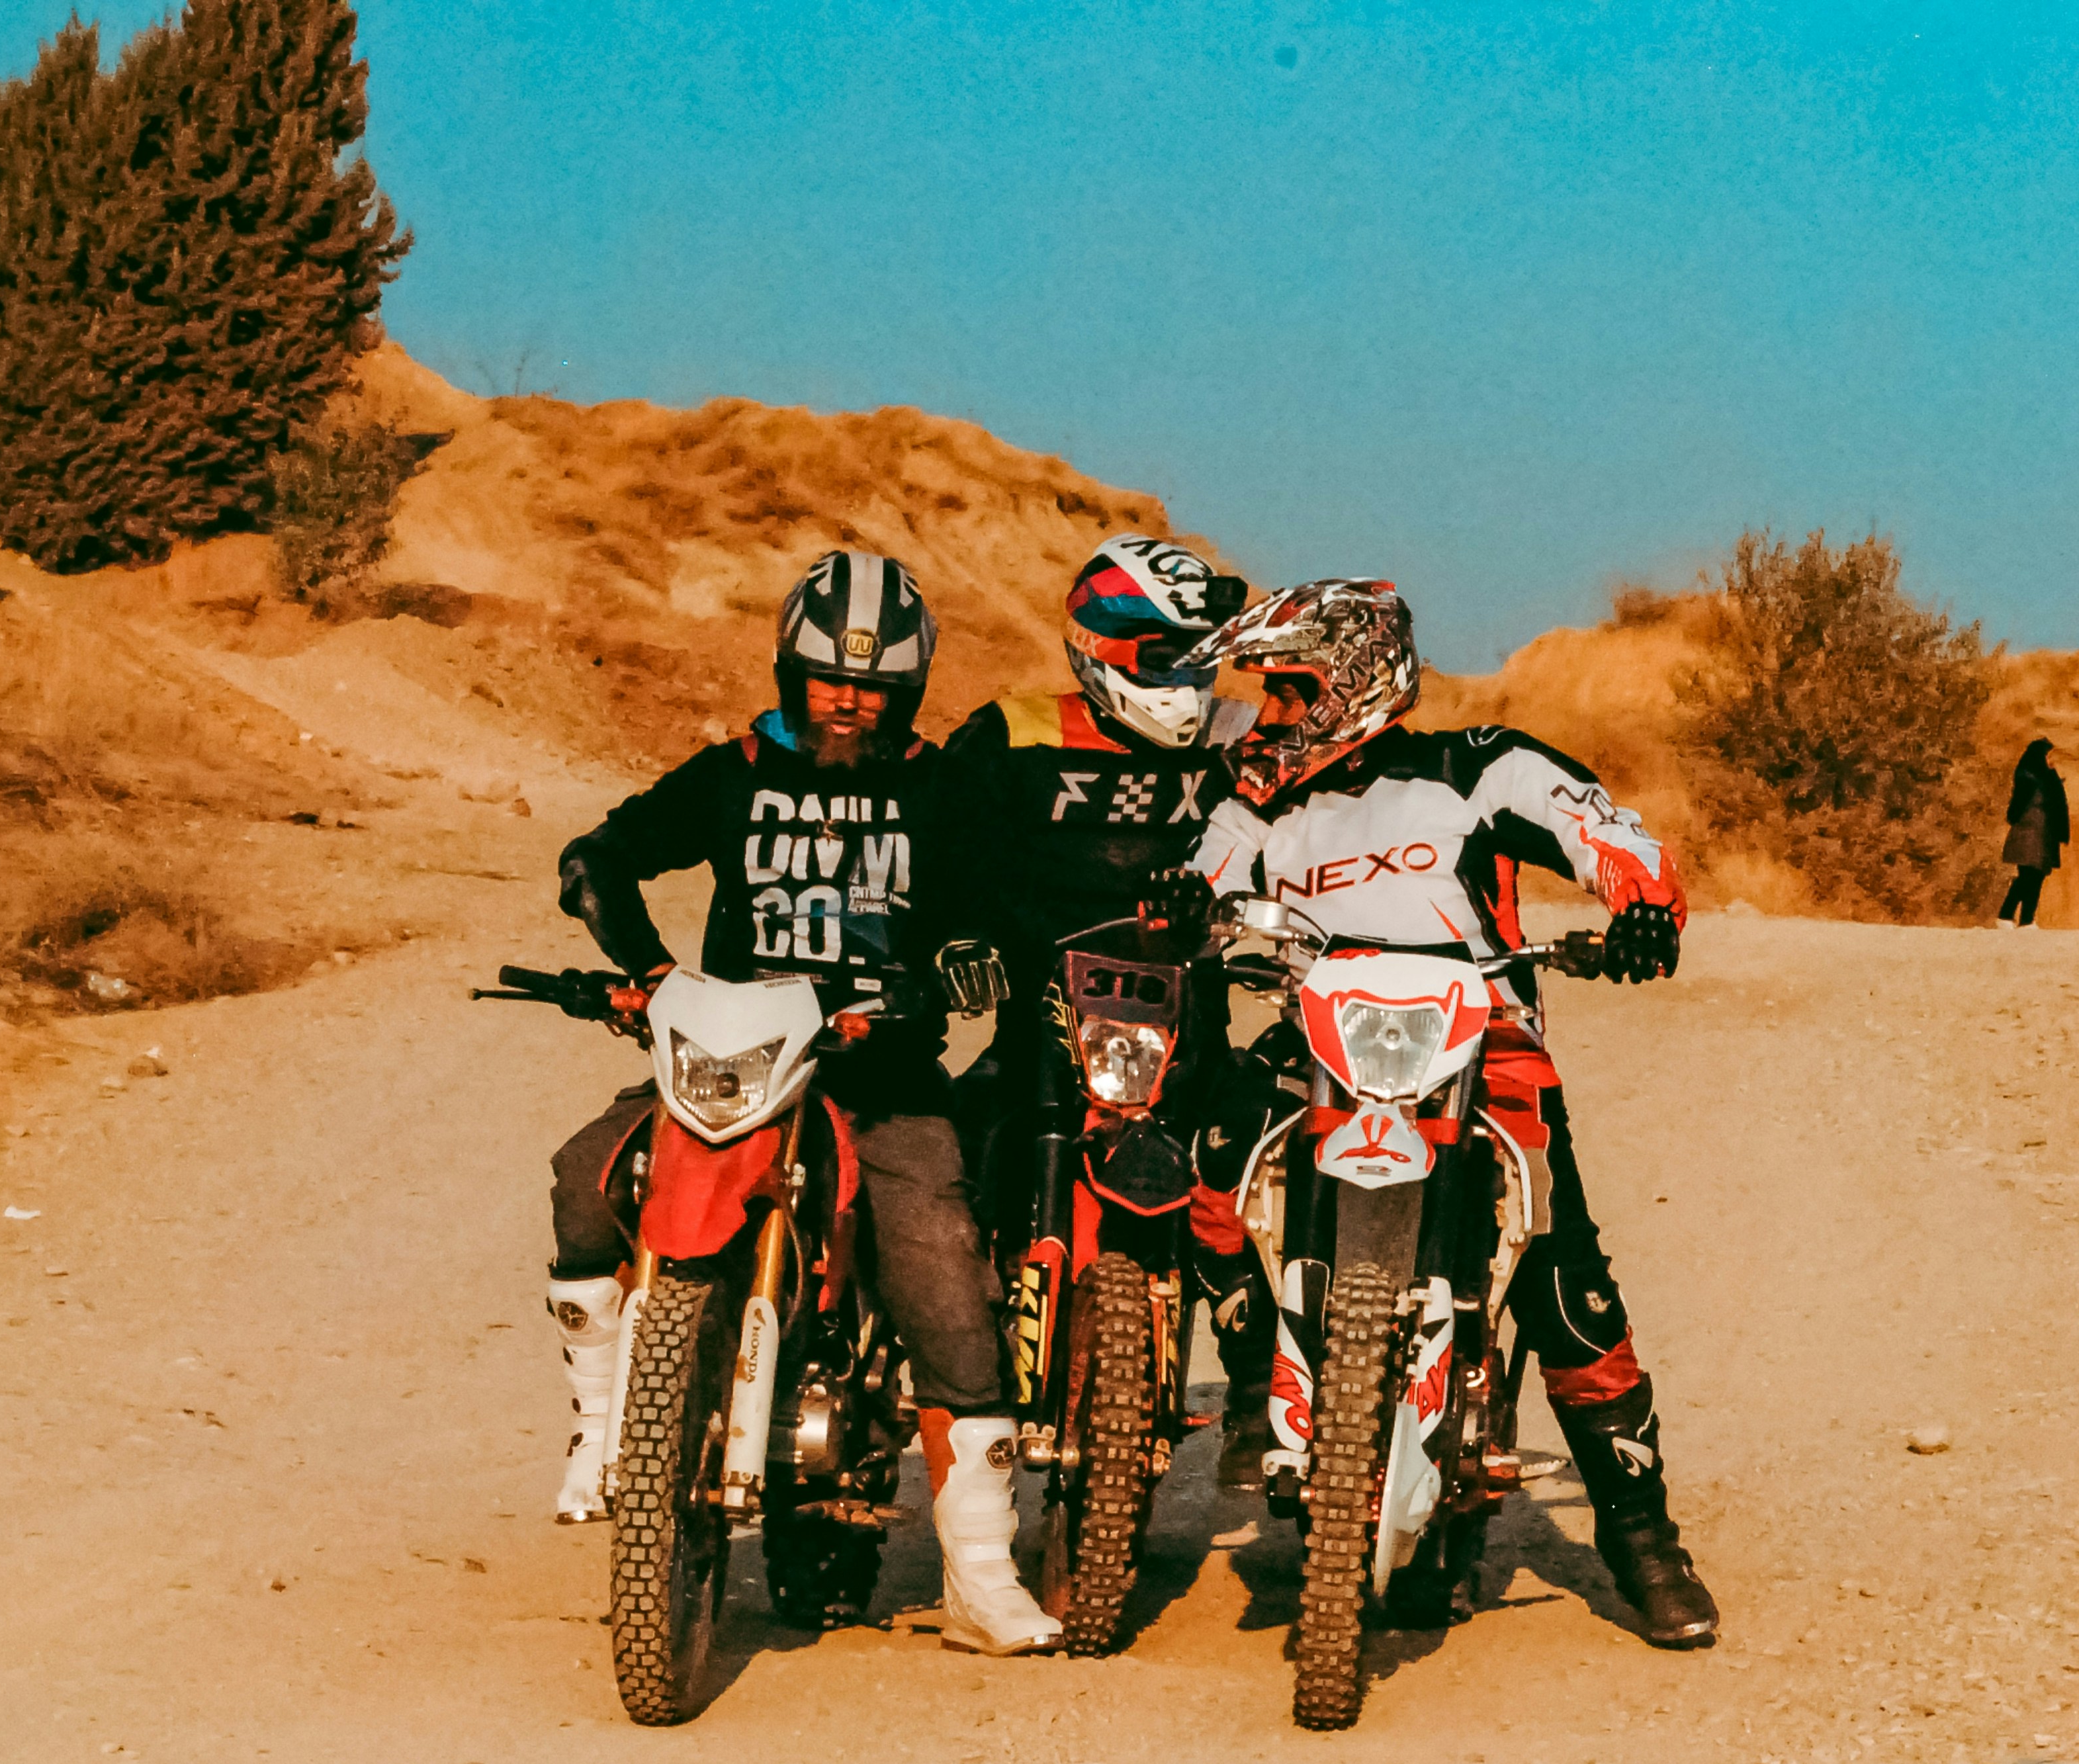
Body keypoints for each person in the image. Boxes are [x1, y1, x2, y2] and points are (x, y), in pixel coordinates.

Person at [1176, 576, 1721, 1651]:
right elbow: (1201, 877)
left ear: (1353, 684)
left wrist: (1644, 902)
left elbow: (1611, 834)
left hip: (1486, 1048)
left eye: (1290, 691)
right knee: (1211, 1165)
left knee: (1565, 1280)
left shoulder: (1480, 766)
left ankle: (1641, 1536)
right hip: (1318, 1046)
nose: (1271, 714)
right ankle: (1260, 1394)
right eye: (1267, 695)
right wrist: (1183, 907)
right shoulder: (1255, 800)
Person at [539, 549, 1060, 1655]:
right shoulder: (732, 774)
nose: (847, 699)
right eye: (828, 677)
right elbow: (600, 858)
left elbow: (1002, 915)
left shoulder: (939, 791)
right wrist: (640, 971)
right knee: (586, 1183)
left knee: (947, 1274)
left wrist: (966, 961)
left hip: (885, 1075)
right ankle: (600, 1431)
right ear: (789, 670)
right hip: (734, 1060)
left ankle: (979, 1574)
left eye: (872, 686)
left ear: (907, 693)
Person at [917, 534, 1272, 1452]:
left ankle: (1264, 1405)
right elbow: (942, 849)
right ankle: (891, 1366)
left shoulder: (1246, 738)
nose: (1187, 678)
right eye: (1164, 658)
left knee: (1246, 1194)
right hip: (1040, 1017)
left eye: (1201, 656)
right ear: (1101, 648)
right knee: (940, 1176)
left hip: (1193, 1025)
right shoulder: (1012, 731)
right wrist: (958, 932)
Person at [2000, 737, 2067, 926]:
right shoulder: (2029, 777)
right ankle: (2006, 916)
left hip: (2043, 835)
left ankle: (2027, 920)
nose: (2052, 760)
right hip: (2028, 834)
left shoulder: (2045, 777)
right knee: (2028, 877)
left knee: (2036, 877)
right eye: (2049, 756)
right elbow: (2016, 808)